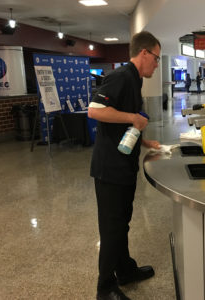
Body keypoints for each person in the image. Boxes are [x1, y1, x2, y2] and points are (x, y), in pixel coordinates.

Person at [88, 31, 161, 300]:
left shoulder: (134, 80)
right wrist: (133, 116)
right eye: (156, 58)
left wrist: (144, 141)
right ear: (144, 53)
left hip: (123, 165)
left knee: (121, 224)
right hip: (110, 169)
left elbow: (125, 124)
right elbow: (95, 110)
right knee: (111, 228)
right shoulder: (120, 76)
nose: (156, 63)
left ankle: (125, 270)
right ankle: (104, 287)